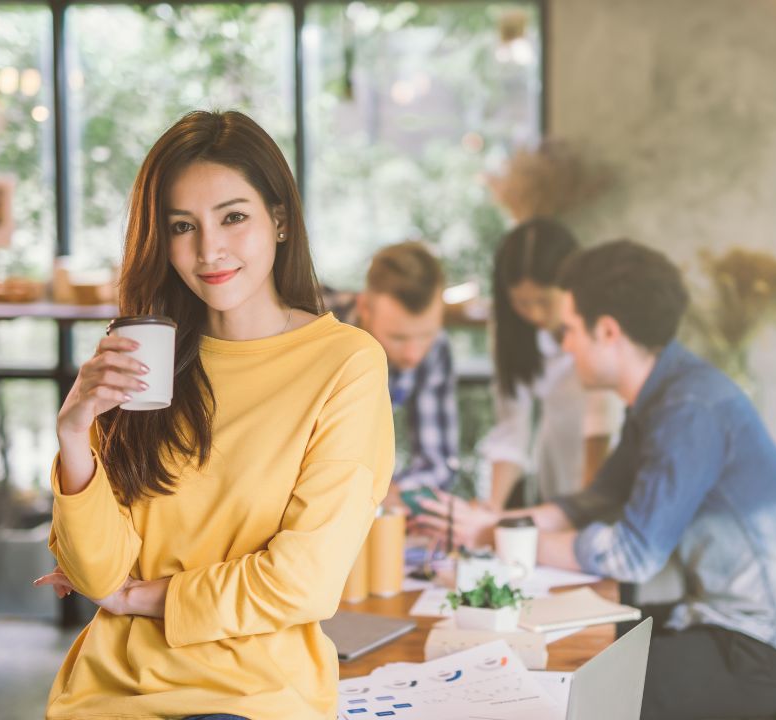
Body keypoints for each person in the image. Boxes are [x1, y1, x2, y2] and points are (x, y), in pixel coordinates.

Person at [34, 110, 394, 720]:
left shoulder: (345, 364)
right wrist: (74, 433)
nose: (208, 250)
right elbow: (97, 575)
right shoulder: (146, 358)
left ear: (278, 220)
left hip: (251, 699)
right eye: (183, 225)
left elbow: (301, 582)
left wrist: (140, 597)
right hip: (109, 696)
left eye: (233, 216)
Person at [415, 240, 776, 719]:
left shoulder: (688, 410)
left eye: (571, 330)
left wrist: (499, 536)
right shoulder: (666, 390)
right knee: (572, 658)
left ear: (608, 331)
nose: (565, 344)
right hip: (737, 626)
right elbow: (594, 501)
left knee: (580, 692)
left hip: (774, 653)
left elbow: (632, 555)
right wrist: (492, 521)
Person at [482, 217, 620, 509]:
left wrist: (587, 504)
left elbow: (601, 420)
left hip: (607, 465)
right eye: (520, 302)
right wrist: (491, 506)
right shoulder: (508, 331)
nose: (533, 313)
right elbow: (512, 426)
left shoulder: (599, 320)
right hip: (555, 466)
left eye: (544, 301)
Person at [323, 241, 458, 501]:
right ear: (364, 308)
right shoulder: (313, 320)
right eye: (397, 337)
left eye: (426, 335)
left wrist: (388, 494)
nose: (413, 354)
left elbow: (437, 464)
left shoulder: (437, 348)